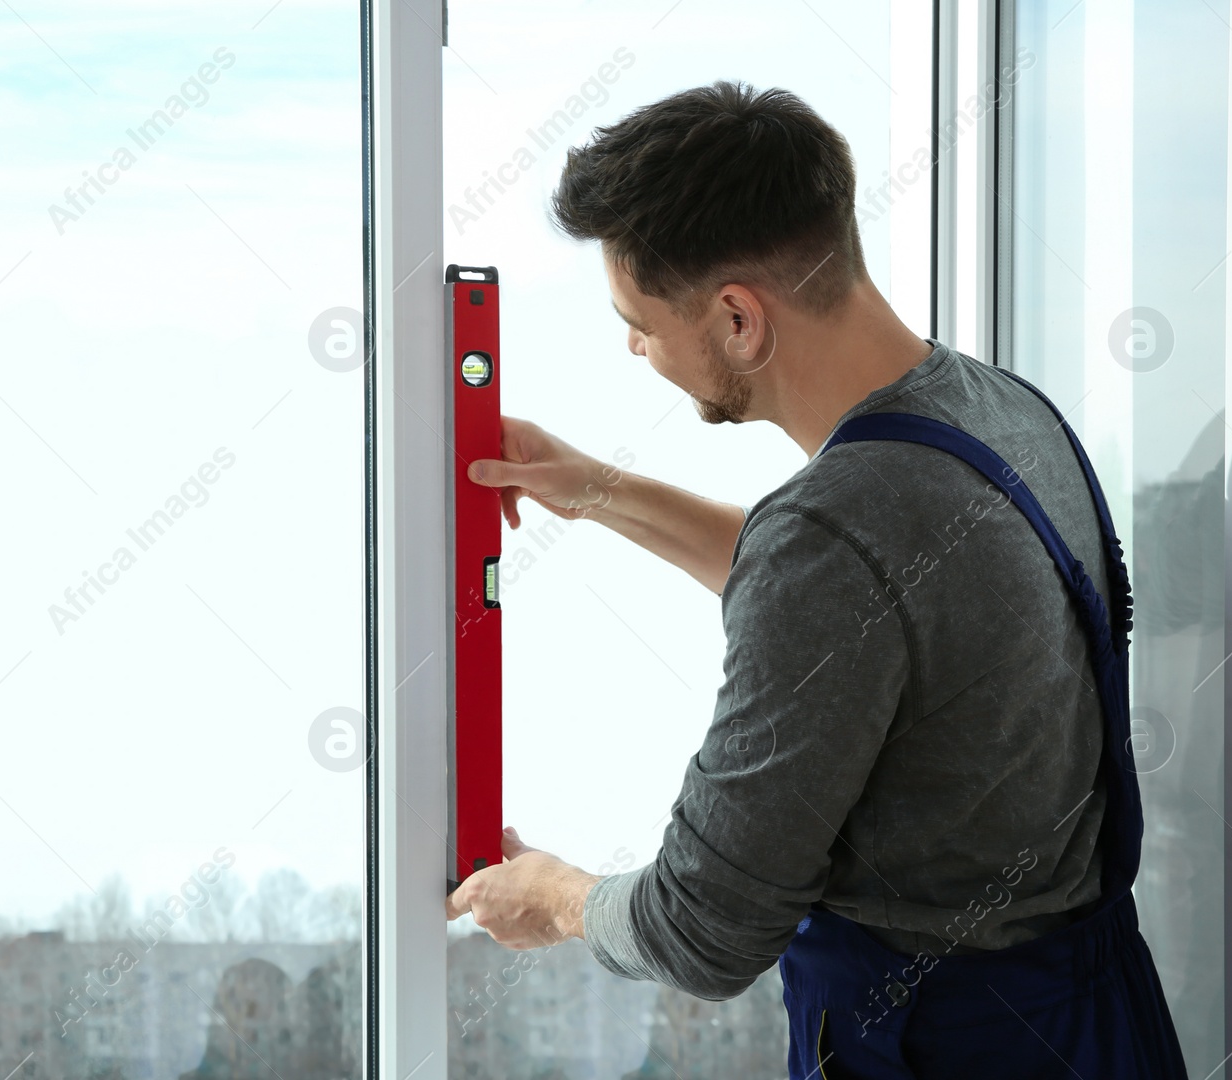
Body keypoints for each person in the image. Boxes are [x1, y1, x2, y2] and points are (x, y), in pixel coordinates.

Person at [443, 79, 1188, 1078]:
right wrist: (593, 489)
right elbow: (872, 594)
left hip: (943, 1049)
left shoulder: (834, 538)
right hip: (1097, 1028)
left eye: (639, 321)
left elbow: (704, 927)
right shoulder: (999, 409)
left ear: (738, 320)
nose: (634, 347)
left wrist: (553, 895)